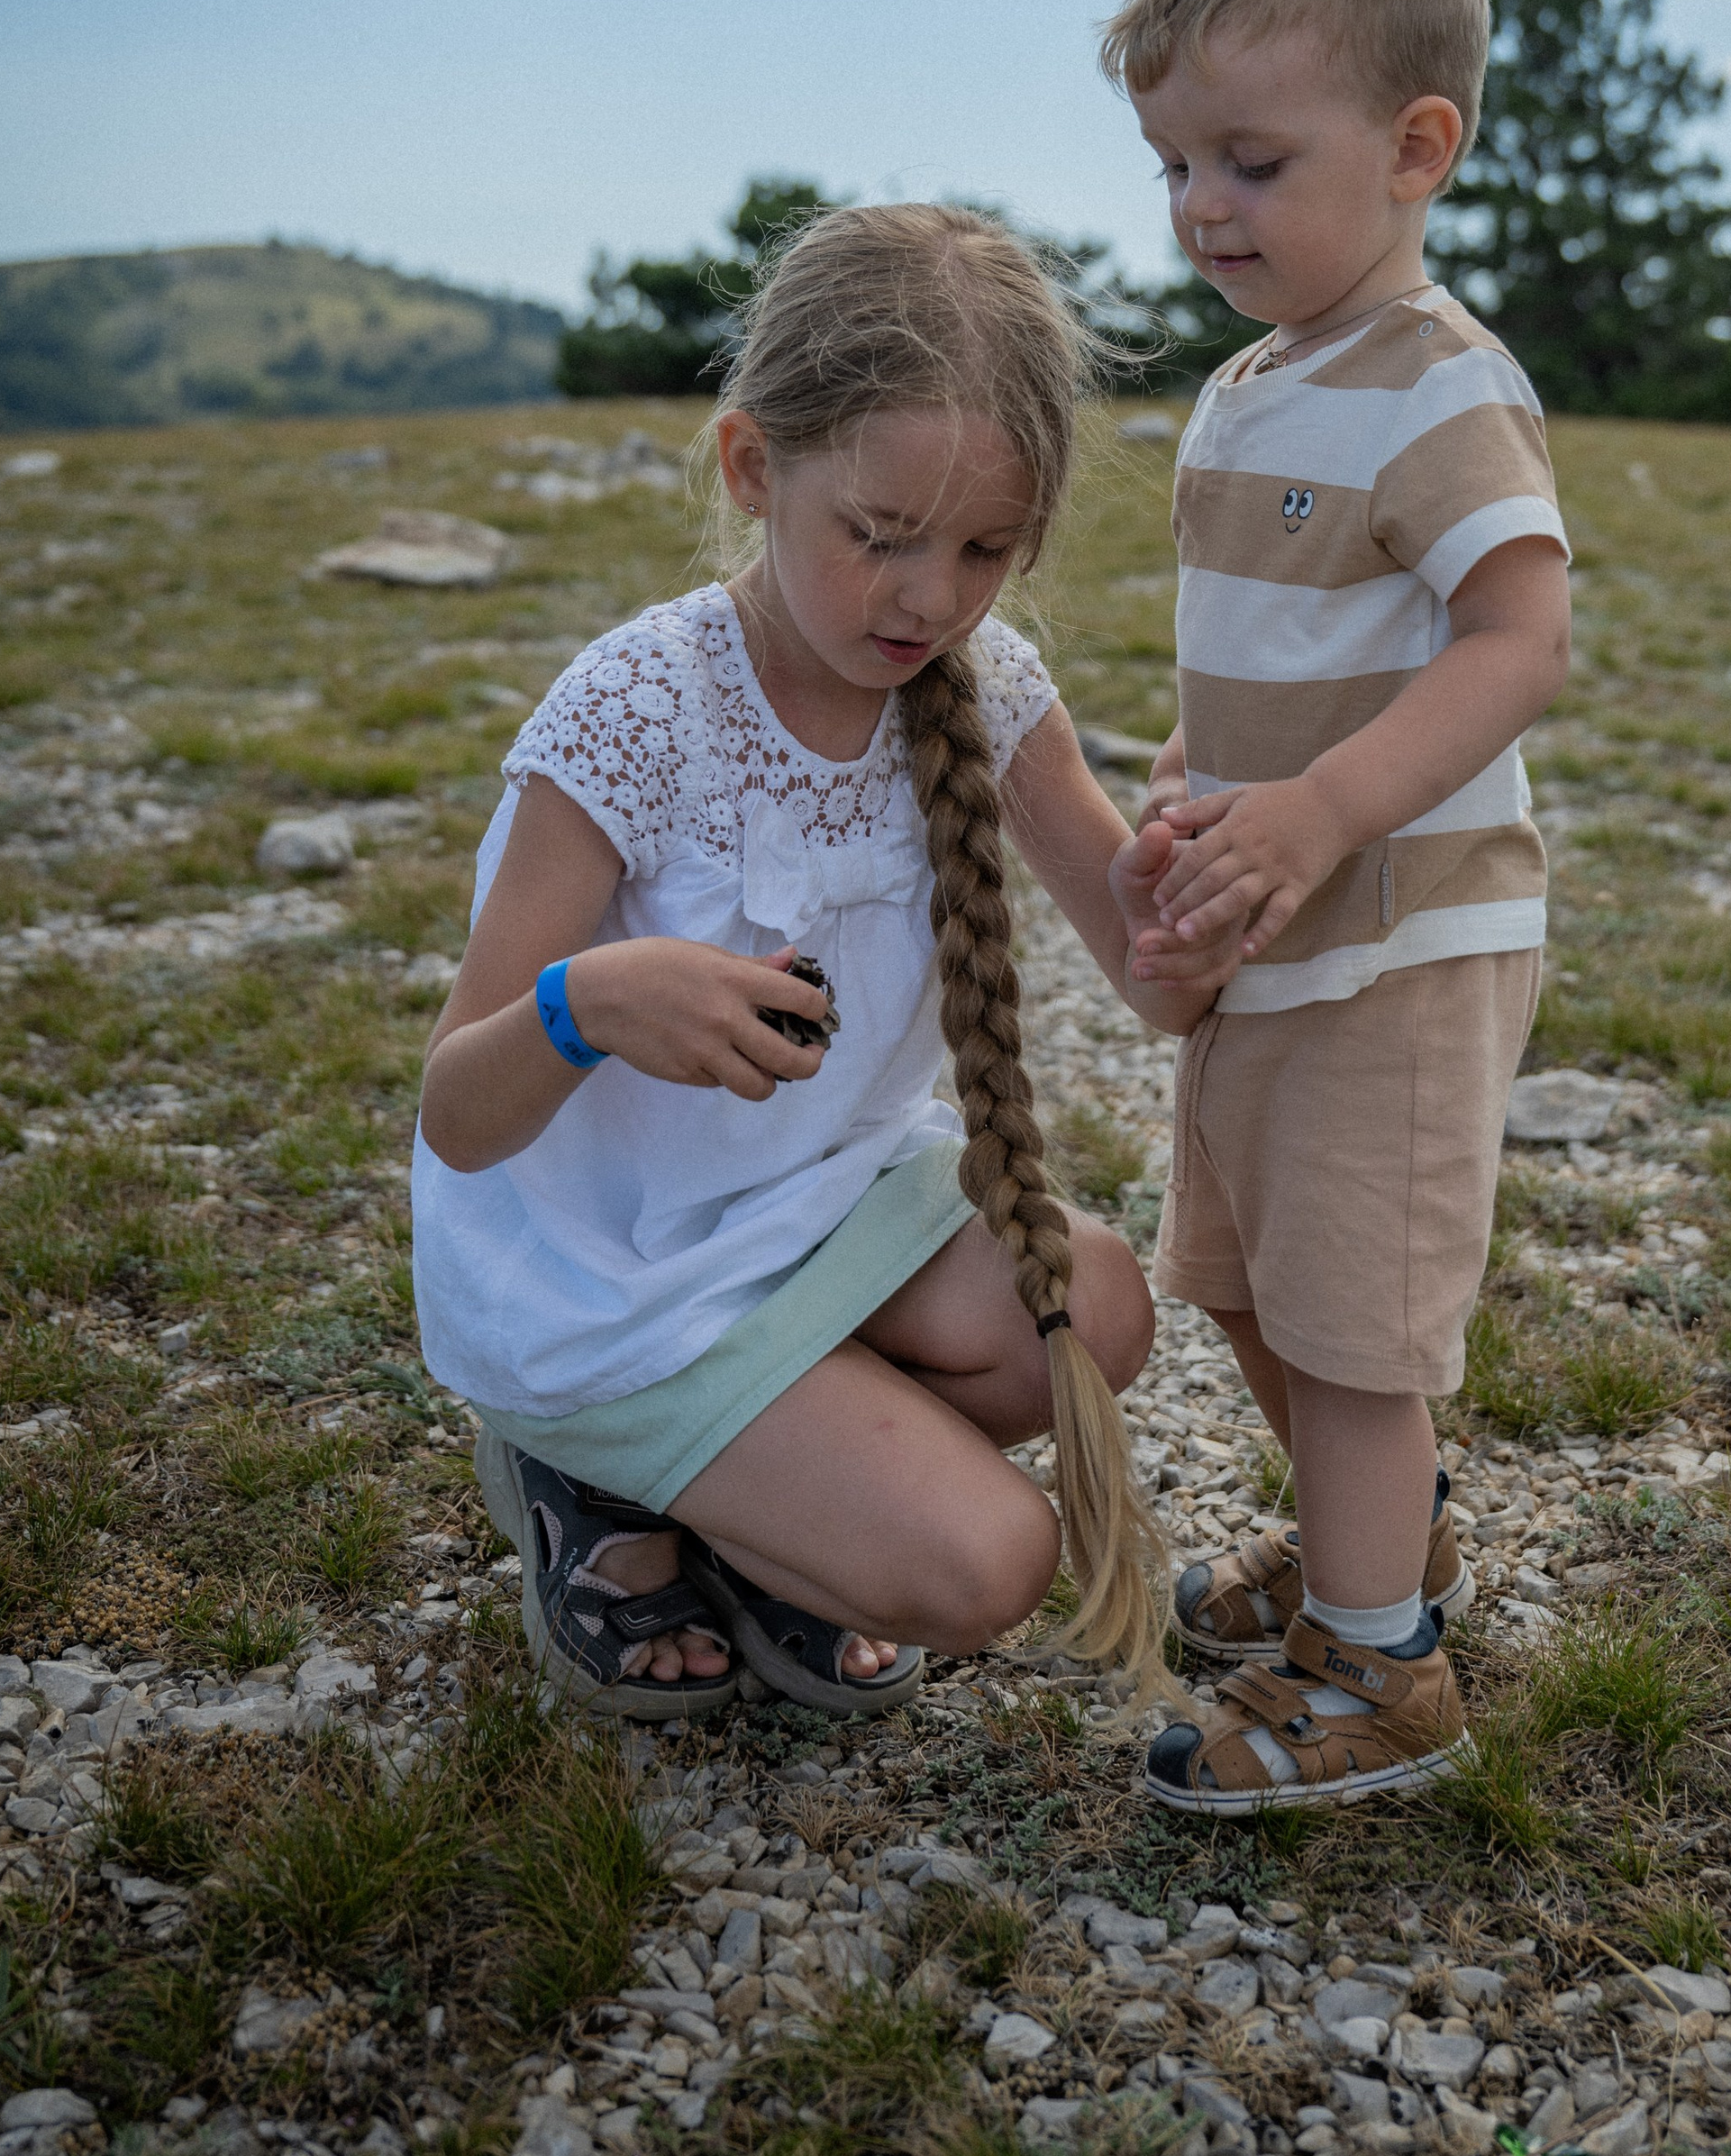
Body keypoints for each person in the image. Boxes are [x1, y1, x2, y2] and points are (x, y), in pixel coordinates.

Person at [414, 203, 1234, 1724]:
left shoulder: (991, 690)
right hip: (623, 1274)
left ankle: (769, 1502)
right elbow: (457, 1114)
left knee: (1098, 1309)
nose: (931, 598)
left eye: (985, 549)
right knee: (991, 1563)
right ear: (752, 466)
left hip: (826, 1209)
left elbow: (1160, 983)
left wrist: (1202, 865)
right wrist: (592, 1005)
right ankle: (591, 1473)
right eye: (881, 535)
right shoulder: (635, 712)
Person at [1098, 0, 1572, 1814]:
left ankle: (1381, 1672)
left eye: (1252, 161)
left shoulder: (1441, 387)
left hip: (1398, 933)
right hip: (1270, 922)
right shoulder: (1248, 384)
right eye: (1173, 165)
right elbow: (1276, 657)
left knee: (1355, 1325)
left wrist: (1318, 809)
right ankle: (1380, 1546)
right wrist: (1198, 789)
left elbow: (1518, 640)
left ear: (1413, 148)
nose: (1202, 206)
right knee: (1236, 1277)